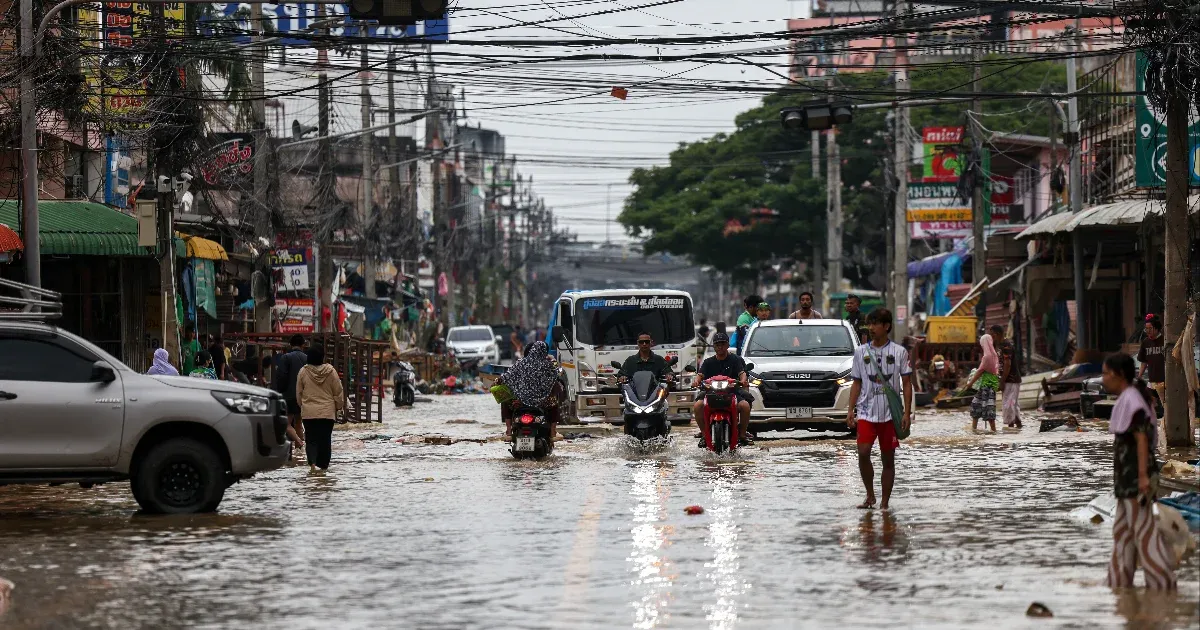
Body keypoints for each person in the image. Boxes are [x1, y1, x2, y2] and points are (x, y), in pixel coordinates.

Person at [1102, 353, 1176, 590]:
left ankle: (1163, 585)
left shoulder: (1133, 401)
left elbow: (1142, 439)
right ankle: (1119, 584)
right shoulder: (1128, 398)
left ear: (1120, 375)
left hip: (1137, 479)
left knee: (1144, 534)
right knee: (1122, 533)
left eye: (1106, 373)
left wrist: (1143, 476)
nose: (1103, 379)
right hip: (1126, 480)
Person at [846, 308, 913, 510]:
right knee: (863, 451)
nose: (871, 328)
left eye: (875, 324)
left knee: (888, 458)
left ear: (886, 326)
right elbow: (856, 383)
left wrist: (907, 413)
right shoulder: (860, 352)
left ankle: (884, 503)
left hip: (889, 414)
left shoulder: (899, 352)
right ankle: (870, 495)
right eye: (870, 324)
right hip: (866, 412)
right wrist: (850, 410)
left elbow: (907, 383)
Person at [691, 328, 753, 447]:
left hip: (732, 392)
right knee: (698, 406)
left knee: (745, 406)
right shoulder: (708, 362)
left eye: (723, 344)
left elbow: (742, 373)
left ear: (728, 345)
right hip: (710, 392)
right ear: (714, 346)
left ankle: (742, 435)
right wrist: (696, 382)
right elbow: (700, 375)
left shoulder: (735, 359)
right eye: (717, 344)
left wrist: (743, 381)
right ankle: (704, 434)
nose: (720, 347)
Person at [496, 341, 564, 438]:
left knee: (506, 400)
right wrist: (552, 359)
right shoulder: (547, 365)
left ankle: (508, 430)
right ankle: (553, 431)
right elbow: (557, 374)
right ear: (544, 352)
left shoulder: (521, 363)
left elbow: (507, 376)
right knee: (554, 403)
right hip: (542, 402)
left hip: (520, 402)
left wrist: (498, 381)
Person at [295, 344, 344, 472]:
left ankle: (312, 464)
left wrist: (303, 406)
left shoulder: (303, 372)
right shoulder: (331, 371)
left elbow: (299, 393)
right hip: (327, 413)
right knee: (325, 440)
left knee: (311, 439)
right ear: (322, 357)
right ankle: (323, 469)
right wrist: (338, 407)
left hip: (309, 412)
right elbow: (338, 391)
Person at [271, 334, 308, 452]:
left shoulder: (286, 358)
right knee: (298, 423)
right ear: (303, 345)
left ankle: (299, 442)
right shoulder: (307, 358)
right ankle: (300, 453)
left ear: (290, 344)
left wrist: (280, 391)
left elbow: (281, 376)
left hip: (289, 395)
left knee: (285, 424)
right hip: (303, 396)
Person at [962, 332, 1000, 432]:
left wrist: (970, 383)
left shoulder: (987, 357)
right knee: (976, 405)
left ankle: (994, 432)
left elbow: (980, 371)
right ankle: (974, 429)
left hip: (987, 387)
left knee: (989, 411)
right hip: (988, 386)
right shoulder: (995, 355)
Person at [992, 325, 1023, 428]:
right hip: (1008, 380)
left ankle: (1011, 431)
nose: (992, 337)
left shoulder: (1006, 345)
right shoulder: (1001, 345)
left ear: (997, 334)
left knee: (1009, 405)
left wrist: (1002, 381)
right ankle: (1018, 427)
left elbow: (1007, 364)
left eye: (993, 335)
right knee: (1012, 404)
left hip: (1011, 380)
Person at [1138, 314, 1166, 417]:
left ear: (1157, 328)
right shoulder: (1146, 342)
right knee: (1148, 406)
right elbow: (1143, 361)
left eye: (1150, 328)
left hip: (1165, 380)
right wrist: (1139, 376)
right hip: (1151, 380)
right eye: (1146, 329)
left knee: (1165, 406)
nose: (1148, 331)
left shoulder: (1165, 341)